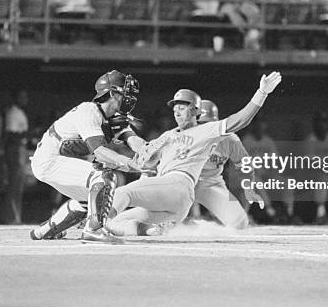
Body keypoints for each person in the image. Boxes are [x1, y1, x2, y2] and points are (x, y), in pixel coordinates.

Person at [105, 72, 282, 237]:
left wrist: (261, 93)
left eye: (182, 106)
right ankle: (150, 229)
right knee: (117, 222)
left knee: (121, 194)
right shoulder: (168, 136)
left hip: (186, 183)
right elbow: (145, 161)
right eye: (175, 107)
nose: (176, 110)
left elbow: (240, 120)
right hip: (176, 198)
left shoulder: (208, 132)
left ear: (196, 111)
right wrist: (127, 137)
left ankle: (95, 224)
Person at [29, 70, 144, 242]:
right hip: (49, 159)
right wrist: (131, 164)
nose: (130, 98)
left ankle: (44, 231)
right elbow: (100, 152)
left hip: (57, 160)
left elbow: (134, 141)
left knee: (89, 202)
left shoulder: (113, 117)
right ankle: (94, 230)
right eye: (126, 93)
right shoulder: (89, 111)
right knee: (104, 176)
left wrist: (153, 152)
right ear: (113, 93)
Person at [190, 100, 264, 229]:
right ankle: (178, 220)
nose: (205, 127)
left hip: (211, 183)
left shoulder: (229, 139)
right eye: (201, 123)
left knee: (240, 223)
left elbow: (246, 167)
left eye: (209, 123)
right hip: (186, 182)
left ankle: (201, 223)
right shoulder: (186, 136)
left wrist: (249, 189)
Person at [304, 111, 328, 225]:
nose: (321, 125)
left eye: (324, 122)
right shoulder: (310, 139)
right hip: (311, 174)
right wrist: (324, 167)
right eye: (319, 122)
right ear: (314, 124)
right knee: (321, 177)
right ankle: (321, 214)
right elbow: (308, 160)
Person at [3, 89, 29, 224]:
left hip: (20, 149)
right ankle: (12, 218)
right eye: (22, 97)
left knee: (19, 186)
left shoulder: (20, 112)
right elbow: (12, 134)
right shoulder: (13, 112)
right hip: (15, 150)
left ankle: (16, 217)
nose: (25, 99)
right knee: (14, 185)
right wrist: (28, 135)